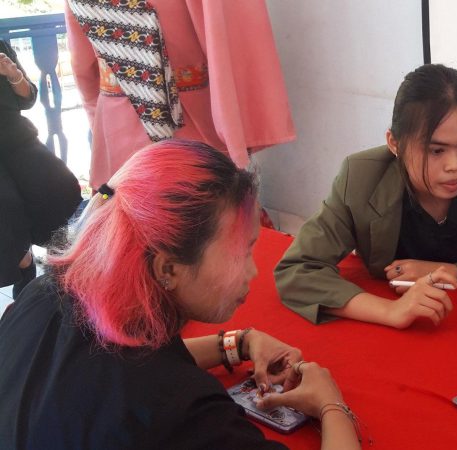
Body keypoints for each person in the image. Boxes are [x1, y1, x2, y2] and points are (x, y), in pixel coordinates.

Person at [0, 140, 359, 449]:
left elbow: (125, 362)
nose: (253, 271)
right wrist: (331, 405)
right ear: (168, 269)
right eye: (242, 252)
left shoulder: (47, 291)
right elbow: (147, 384)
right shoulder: (185, 413)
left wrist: (237, 344)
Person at [275, 64, 457, 327]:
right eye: (436, 151)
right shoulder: (361, 177)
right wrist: (390, 310)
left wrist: (453, 272)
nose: (456, 165)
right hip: (402, 328)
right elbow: (299, 269)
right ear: (395, 143)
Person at [64, 0, 296, 189]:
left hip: (117, 126)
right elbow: (225, 42)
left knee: (127, 214)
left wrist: (98, 121)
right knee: (204, 212)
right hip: (191, 121)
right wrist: (235, 131)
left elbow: (83, 68)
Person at [0, 38, 81, 298]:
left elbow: (27, 99)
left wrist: (13, 74)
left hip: (16, 138)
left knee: (57, 184)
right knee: (6, 206)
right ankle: (23, 268)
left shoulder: (1, 46)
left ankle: (60, 260)